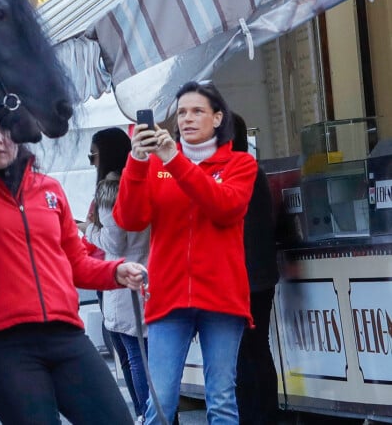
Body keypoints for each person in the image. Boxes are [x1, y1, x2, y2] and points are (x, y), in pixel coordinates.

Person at [0, 118, 146, 424]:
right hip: (4, 348)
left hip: (67, 338)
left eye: (6, 129)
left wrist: (116, 272)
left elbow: (76, 264)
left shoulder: (49, 189)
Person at [113, 81, 258, 425]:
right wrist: (136, 160)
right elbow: (129, 220)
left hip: (222, 296)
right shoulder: (155, 165)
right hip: (169, 295)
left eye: (197, 111)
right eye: (181, 112)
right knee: (160, 401)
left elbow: (224, 208)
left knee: (221, 400)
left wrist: (174, 161)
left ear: (218, 118)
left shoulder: (240, 164)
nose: (187, 119)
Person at [85, 127, 151, 422]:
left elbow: (114, 242)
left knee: (134, 358)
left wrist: (87, 229)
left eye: (93, 156)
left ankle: (144, 414)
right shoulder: (143, 181)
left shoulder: (110, 190)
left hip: (124, 281)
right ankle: (148, 414)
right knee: (136, 355)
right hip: (142, 276)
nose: (91, 162)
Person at [232, 114, 279, 425]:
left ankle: (255, 418)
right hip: (258, 275)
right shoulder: (252, 171)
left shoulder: (236, 174)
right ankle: (264, 417)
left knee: (245, 354)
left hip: (242, 278)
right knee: (256, 349)